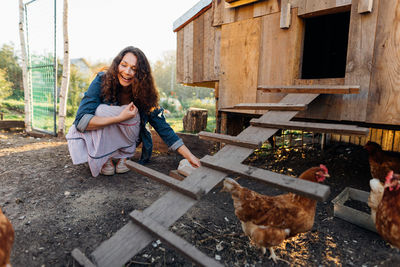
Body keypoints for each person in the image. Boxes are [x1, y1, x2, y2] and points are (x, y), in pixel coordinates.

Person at [66, 46, 201, 177]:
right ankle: (105, 156)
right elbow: (81, 122)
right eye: (124, 65)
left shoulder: (144, 92)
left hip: (130, 136)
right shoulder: (102, 80)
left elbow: (163, 128)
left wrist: (189, 156)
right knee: (100, 110)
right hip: (105, 133)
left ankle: (124, 156)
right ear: (117, 64)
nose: (127, 72)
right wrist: (119, 117)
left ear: (141, 74)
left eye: (134, 69)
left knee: (131, 113)